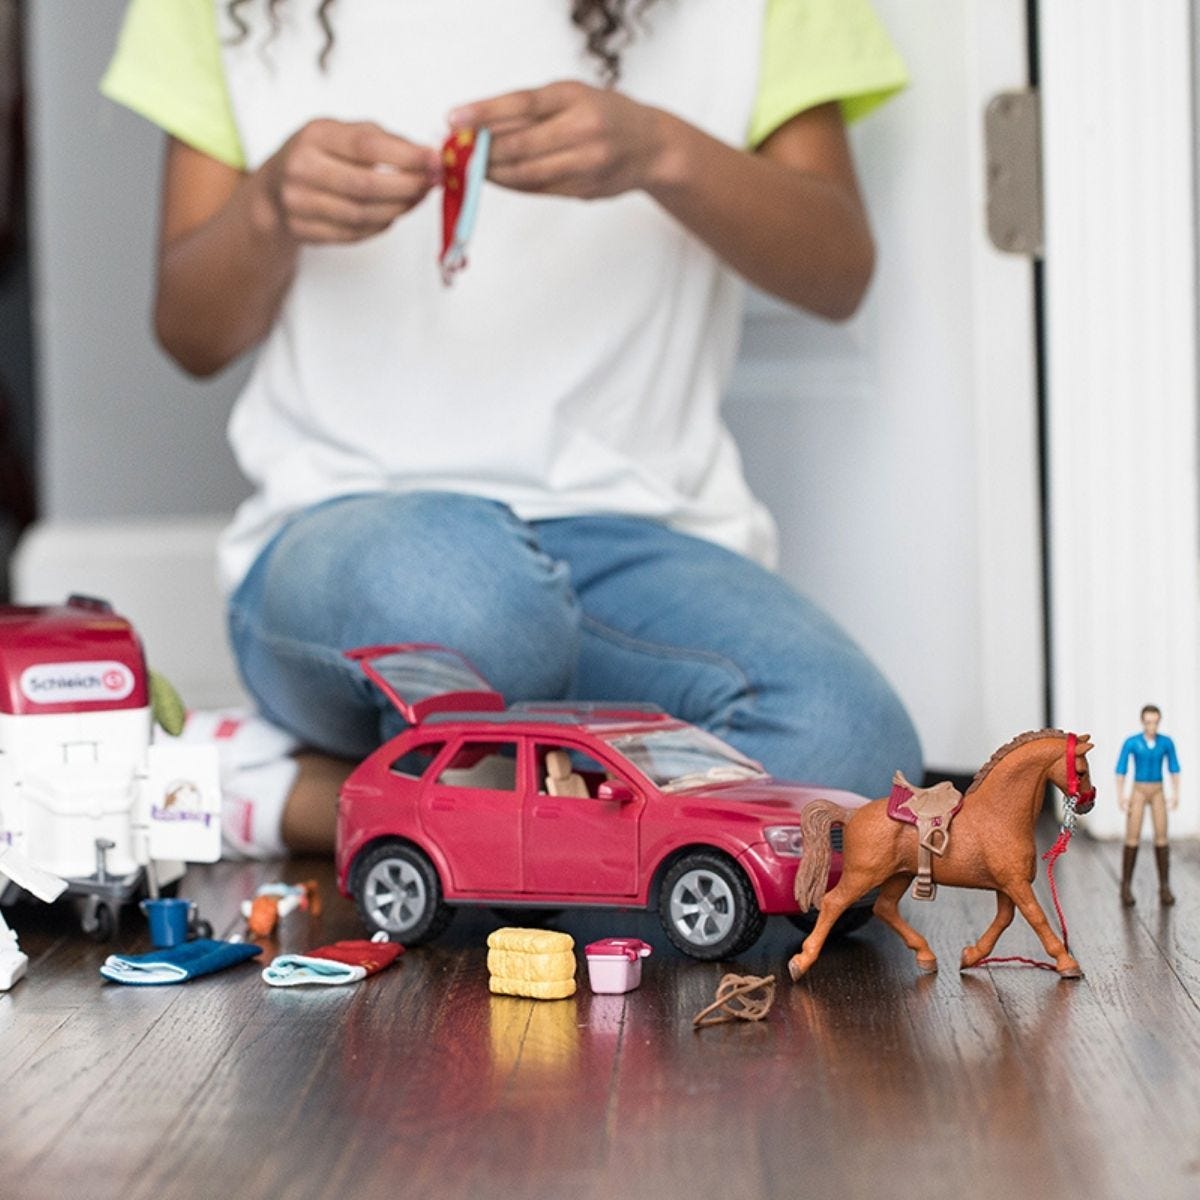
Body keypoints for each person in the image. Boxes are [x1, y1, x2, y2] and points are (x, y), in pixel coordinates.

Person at [102, 0, 922, 855]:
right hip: (357, 551)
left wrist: (662, 151)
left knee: (847, 753)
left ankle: (327, 803)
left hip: (636, 551)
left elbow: (837, 271)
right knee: (473, 606)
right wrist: (268, 209)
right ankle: (518, 827)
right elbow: (193, 334)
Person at [1115, 704, 1181, 906]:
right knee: (1132, 834)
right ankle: (1126, 886)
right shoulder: (1132, 742)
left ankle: (1164, 886)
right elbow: (1121, 769)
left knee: (1161, 834)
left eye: (1155, 722)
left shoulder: (1166, 742)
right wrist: (1121, 795)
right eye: (1148, 722)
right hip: (1138, 790)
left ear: (1159, 722)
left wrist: (1175, 793)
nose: (1151, 726)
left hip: (1158, 790)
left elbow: (1174, 767)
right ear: (1142, 722)